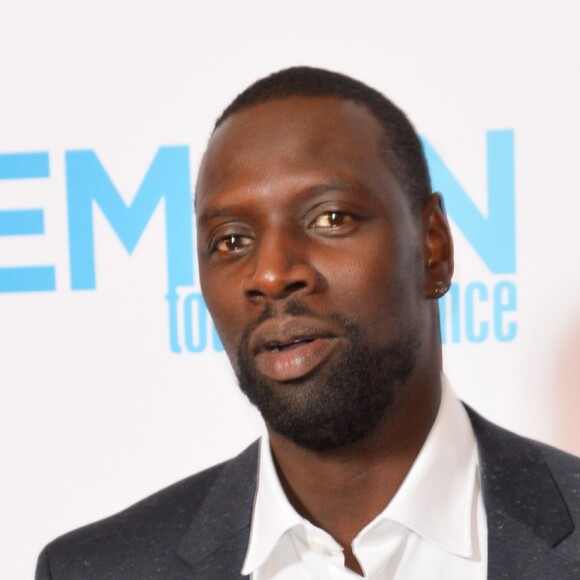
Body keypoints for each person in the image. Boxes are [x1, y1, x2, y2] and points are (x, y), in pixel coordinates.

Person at [36, 67, 580, 579]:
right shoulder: (100, 568)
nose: (270, 274)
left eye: (330, 218)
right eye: (231, 241)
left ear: (433, 249)